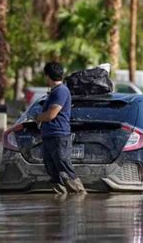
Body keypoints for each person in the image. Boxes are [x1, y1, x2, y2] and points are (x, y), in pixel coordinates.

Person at [36, 62, 86, 195]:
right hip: (49, 135)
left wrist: (37, 117)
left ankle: (79, 194)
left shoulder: (61, 91)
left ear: (47, 76)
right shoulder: (53, 92)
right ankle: (60, 199)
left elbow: (51, 115)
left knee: (64, 165)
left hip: (59, 135)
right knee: (51, 167)